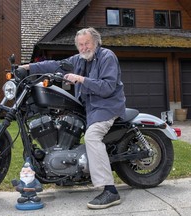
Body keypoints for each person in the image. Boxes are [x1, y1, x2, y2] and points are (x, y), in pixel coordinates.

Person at [20, 27, 126, 209]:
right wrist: (28, 67)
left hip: (106, 106)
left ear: (96, 43)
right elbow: (55, 64)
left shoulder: (107, 56)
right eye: (81, 45)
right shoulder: (78, 60)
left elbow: (108, 87)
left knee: (92, 136)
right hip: (88, 107)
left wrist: (81, 79)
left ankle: (110, 190)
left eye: (87, 43)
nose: (84, 47)